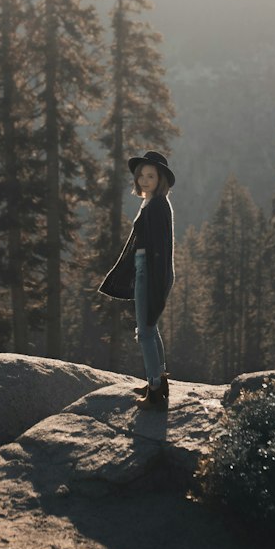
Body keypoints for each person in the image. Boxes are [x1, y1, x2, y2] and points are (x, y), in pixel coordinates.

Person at [98, 150, 175, 407]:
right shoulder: (152, 202)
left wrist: (156, 280)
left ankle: (154, 391)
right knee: (151, 328)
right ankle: (159, 379)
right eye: (141, 174)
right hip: (147, 268)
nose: (143, 179)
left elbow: (161, 247)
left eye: (150, 175)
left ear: (160, 178)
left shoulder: (158, 206)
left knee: (144, 332)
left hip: (150, 271)